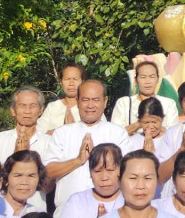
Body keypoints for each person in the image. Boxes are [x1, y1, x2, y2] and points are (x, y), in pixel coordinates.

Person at [43, 78, 126, 209]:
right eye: (85, 100)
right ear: (77, 102)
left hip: (111, 209)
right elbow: (47, 171)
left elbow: (127, 170)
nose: (90, 105)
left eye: (96, 100)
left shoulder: (117, 133)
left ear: (105, 102)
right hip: (67, 211)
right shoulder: (62, 133)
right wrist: (78, 160)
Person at [0, 87, 47, 165]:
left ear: (41, 110)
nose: (27, 111)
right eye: (22, 106)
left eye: (33, 106)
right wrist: (17, 154)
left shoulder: (49, 142)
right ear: (13, 111)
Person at [109, 57, 166, 133]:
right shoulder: (124, 103)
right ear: (136, 80)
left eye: (152, 77)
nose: (148, 81)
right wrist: (140, 123)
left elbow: (173, 132)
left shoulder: (168, 103)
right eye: (143, 77)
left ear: (158, 79)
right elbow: (115, 133)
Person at [0, 150, 47, 218]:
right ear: (6, 179)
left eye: (31, 176)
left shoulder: (39, 217)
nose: (24, 182)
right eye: (18, 175)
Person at [48, 62, 87, 129]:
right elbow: (38, 134)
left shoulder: (91, 107)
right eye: (67, 79)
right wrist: (63, 129)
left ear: (82, 82)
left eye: (75, 79)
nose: (71, 83)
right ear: (61, 82)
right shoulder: (52, 107)